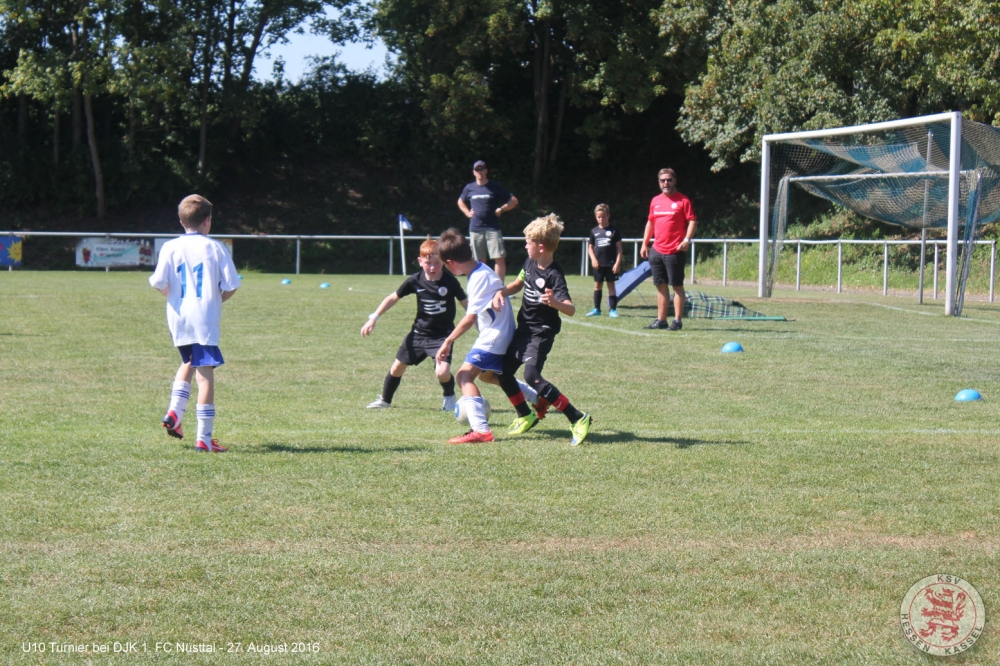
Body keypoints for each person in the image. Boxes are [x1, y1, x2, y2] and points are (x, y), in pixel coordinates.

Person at [488, 214, 592, 446]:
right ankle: (525, 414)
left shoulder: (554, 275)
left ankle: (577, 418)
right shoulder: (530, 263)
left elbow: (571, 309)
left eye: (528, 243)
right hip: (524, 329)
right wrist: (502, 291)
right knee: (503, 371)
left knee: (531, 376)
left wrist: (554, 302)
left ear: (541, 246)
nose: (525, 246)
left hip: (541, 332)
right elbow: (518, 283)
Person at [150, 194, 240, 453]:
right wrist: (216, 301)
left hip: (178, 318)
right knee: (205, 375)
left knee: (189, 361)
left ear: (181, 221)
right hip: (204, 319)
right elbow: (232, 285)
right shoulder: (215, 247)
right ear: (207, 221)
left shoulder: (170, 247)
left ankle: (174, 412)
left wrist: (173, 297)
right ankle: (204, 438)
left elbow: (157, 282)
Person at [361, 238, 468, 411]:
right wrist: (374, 317)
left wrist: (480, 322)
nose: (432, 267)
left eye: (437, 263)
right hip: (418, 334)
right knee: (397, 367)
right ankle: (385, 401)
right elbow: (393, 297)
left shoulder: (450, 282)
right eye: (428, 263)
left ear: (443, 261)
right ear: (420, 261)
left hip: (442, 337)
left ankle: (449, 396)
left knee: (442, 372)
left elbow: (466, 303)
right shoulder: (415, 280)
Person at [434, 228, 515, 444]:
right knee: (487, 376)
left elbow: (469, 319)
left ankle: (481, 430)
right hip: (499, 332)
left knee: (463, 376)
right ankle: (537, 399)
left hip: (494, 335)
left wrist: (448, 341)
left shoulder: (478, 277)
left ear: (451, 263)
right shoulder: (480, 270)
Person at [640, 168, 697, 330]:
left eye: (669, 180)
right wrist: (645, 243)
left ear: (674, 181)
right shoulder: (655, 201)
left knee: (677, 287)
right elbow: (651, 222)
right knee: (661, 287)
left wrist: (686, 240)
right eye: (662, 180)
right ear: (659, 182)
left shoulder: (683, 200)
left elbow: (692, 221)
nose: (666, 183)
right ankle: (661, 320)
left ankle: (677, 321)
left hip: (675, 251)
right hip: (656, 251)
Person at [457, 160, 519, 281]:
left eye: (482, 169)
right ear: (473, 172)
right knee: (478, 260)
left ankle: (498, 287)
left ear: (486, 171)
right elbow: (460, 201)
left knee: (499, 258)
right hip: (475, 228)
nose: (479, 172)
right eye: (477, 170)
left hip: (492, 228)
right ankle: (481, 286)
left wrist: (501, 209)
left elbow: (513, 200)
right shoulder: (469, 188)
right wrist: (467, 212)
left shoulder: (494, 186)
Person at [586, 203, 623, 318]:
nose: (601, 219)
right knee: (598, 285)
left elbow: (619, 248)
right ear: (596, 217)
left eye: (603, 216)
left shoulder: (614, 230)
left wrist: (617, 263)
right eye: (599, 217)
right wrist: (593, 259)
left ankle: (612, 310)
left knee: (611, 285)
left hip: (611, 263)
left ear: (608, 216)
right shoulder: (594, 231)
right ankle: (597, 309)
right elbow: (590, 247)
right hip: (598, 264)